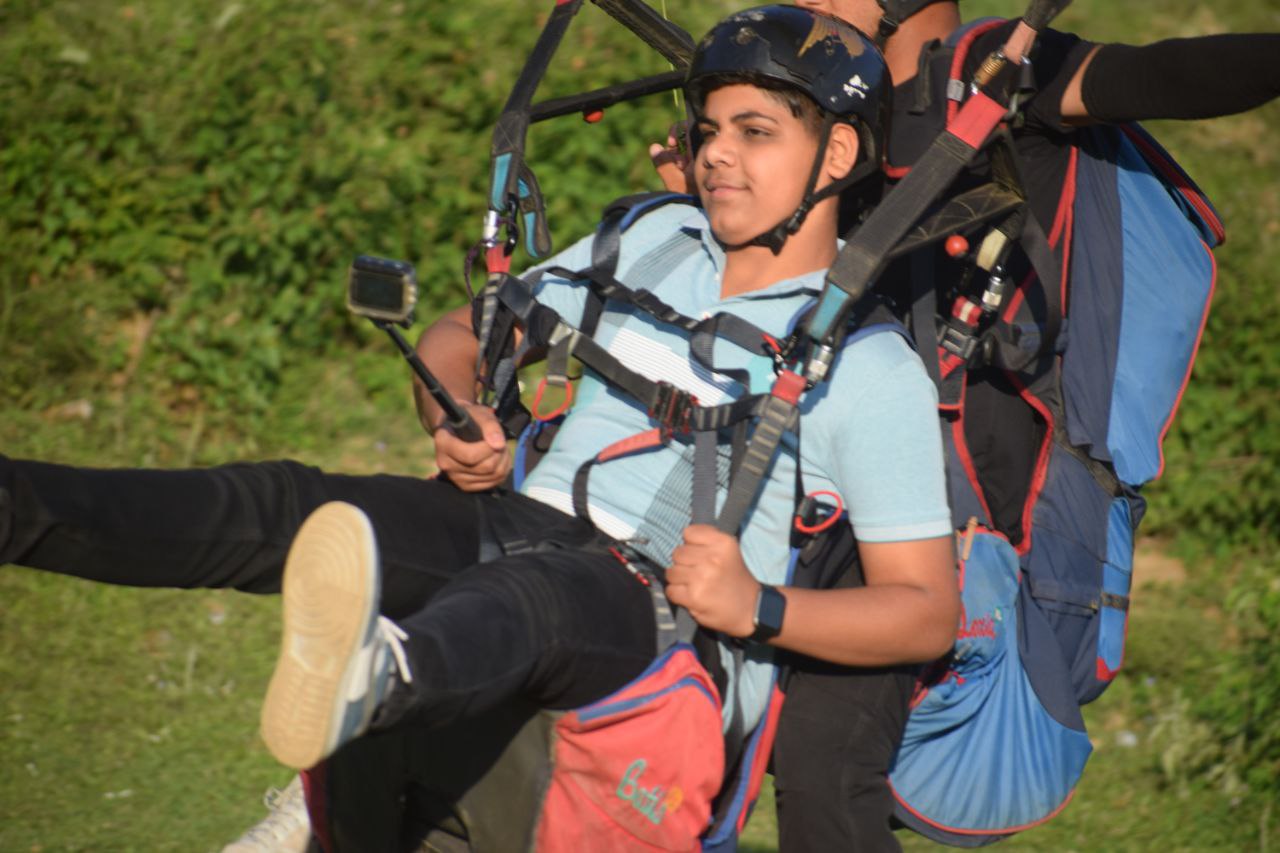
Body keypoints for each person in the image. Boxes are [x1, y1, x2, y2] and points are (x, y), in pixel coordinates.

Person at [2, 7, 959, 850]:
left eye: (755, 133)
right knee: (301, 503)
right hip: (527, 526)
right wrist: (455, 405)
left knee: (535, 590)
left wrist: (760, 606)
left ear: (837, 155)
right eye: (709, 129)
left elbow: (924, 609)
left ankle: (378, 677)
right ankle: (24, 504)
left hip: (662, 623)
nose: (714, 155)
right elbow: (465, 331)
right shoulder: (655, 238)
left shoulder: (868, 369)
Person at [646, 3, 1278, 851]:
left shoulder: (991, 70)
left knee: (827, 760)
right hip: (830, 476)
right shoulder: (825, 104)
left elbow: (1158, 74)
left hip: (961, 504)